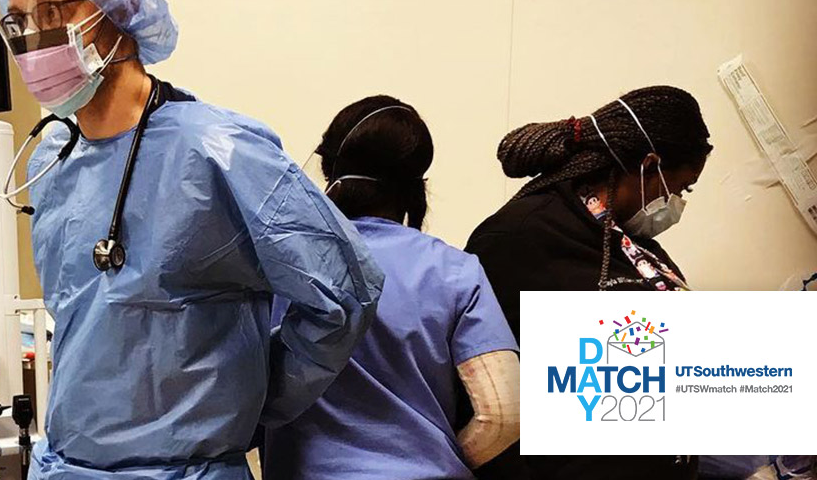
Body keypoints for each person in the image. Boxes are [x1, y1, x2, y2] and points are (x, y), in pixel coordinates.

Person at [0, 0, 384, 478]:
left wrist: (254, 396)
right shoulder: (52, 160)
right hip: (68, 466)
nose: (33, 39)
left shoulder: (220, 151)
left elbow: (343, 292)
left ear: (119, 10)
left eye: (53, 11)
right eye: (18, 21)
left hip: (188, 469)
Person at [263, 96, 520, 480]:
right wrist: (438, 460)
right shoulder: (453, 270)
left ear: (328, 169)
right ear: (416, 186)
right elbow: (504, 413)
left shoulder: (278, 265)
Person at [465, 85, 714, 480]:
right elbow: (496, 394)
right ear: (650, 166)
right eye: (680, 188)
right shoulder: (519, 237)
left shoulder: (632, 244)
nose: (678, 201)